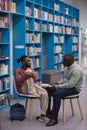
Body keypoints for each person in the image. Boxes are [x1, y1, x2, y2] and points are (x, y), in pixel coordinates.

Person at [46, 54, 84, 126]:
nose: (62, 62)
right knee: (48, 90)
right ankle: (48, 114)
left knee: (57, 94)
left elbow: (71, 85)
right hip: (68, 86)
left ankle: (54, 119)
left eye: (63, 61)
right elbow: (65, 79)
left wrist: (57, 87)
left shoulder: (76, 70)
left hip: (74, 89)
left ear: (69, 62)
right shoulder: (67, 67)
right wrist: (57, 83)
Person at [14, 55, 49, 122]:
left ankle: (43, 115)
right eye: (28, 61)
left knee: (44, 93)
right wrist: (25, 75)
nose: (30, 62)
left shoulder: (30, 69)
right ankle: (32, 92)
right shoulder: (18, 70)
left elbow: (35, 81)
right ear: (23, 62)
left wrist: (34, 75)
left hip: (32, 87)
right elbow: (18, 82)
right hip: (23, 88)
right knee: (28, 74)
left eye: (30, 61)